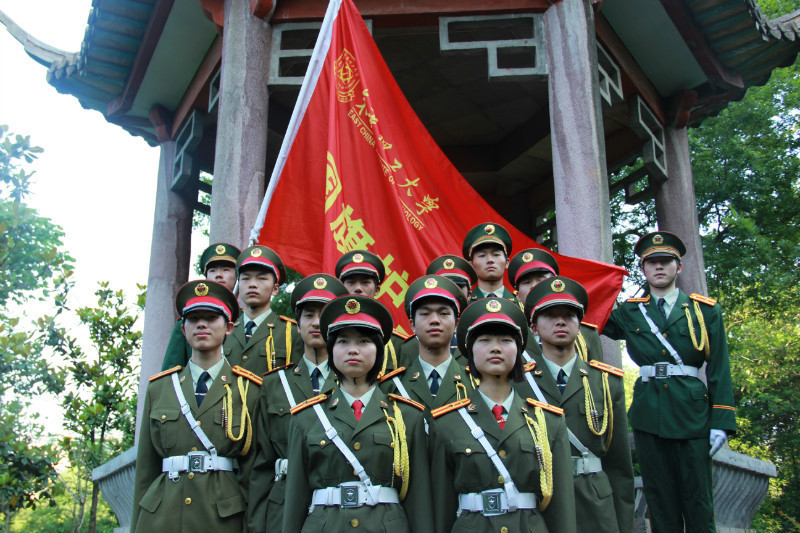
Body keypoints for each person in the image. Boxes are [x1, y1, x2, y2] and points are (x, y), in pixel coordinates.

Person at [601, 231, 736, 533]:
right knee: (659, 502)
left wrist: (721, 422)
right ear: (643, 268)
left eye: (665, 261)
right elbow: (590, 316)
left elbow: (719, 369)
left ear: (679, 267)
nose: (658, 267)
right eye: (651, 262)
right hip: (649, 414)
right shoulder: (630, 312)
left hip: (692, 415)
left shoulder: (704, 311)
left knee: (698, 501)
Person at [282, 295, 433, 533]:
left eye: (364, 341)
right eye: (342, 341)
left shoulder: (407, 416)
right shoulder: (306, 417)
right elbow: (294, 500)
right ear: (331, 350)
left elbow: (419, 500)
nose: (353, 350)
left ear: (379, 350)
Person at [430, 296, 576, 533]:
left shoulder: (548, 421)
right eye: (485, 340)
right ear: (469, 351)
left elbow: (561, 509)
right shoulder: (448, 423)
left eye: (506, 340)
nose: (495, 348)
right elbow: (441, 507)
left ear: (519, 352)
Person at [131, 280, 260, 533]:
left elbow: (253, 471)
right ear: (183, 328)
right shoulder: (160, 388)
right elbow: (145, 470)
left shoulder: (248, 389)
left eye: (212, 318)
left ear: (229, 327)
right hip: (161, 516)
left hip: (222, 517)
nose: (202, 324)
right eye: (194, 318)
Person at [522, 277, 634, 533]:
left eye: (569, 315)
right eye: (550, 315)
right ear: (534, 328)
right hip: (541, 496)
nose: (561, 321)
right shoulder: (519, 381)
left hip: (593, 498)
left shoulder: (606, 383)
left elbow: (619, 465)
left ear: (579, 324)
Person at [247, 274, 349, 533]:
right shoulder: (273, 384)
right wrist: (256, 524)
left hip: (337, 506)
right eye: (308, 315)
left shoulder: (358, 382)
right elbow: (261, 464)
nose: (316, 323)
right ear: (297, 322)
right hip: (282, 506)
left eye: (324, 315)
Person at [380, 275, 473, 425]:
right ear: (412, 325)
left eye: (444, 314)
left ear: (456, 324)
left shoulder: (475, 383)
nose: (435, 320)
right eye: (425, 314)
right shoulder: (392, 386)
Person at [508, 247, 604, 361]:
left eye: (541, 280)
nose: (534, 286)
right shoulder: (509, 333)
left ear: (555, 285)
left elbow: (596, 376)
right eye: (527, 282)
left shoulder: (587, 334)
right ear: (517, 294)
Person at [161, 242, 241, 370]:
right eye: (212, 270)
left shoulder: (245, 322)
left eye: (226, 270)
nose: (219, 275)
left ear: (237, 276)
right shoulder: (186, 323)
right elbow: (171, 377)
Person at [225, 245, 301, 376]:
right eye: (246, 278)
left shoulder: (291, 333)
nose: (252, 284)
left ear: (275, 288)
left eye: (262, 278)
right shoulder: (224, 331)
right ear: (238, 284)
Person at [334, 249, 410, 373]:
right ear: (342, 287)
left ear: (377, 290)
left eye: (365, 282)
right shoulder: (328, 336)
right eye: (351, 282)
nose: (358, 288)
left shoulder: (397, 343)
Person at [399, 254, 477, 365]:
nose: (450, 291)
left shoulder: (477, 341)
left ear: (469, 294)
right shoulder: (407, 348)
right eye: (425, 313)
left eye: (457, 286)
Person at [462, 222, 518, 304]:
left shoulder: (520, 304)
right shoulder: (465, 305)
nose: (490, 260)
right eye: (482, 255)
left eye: (496, 254)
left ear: (507, 262)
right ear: (471, 265)